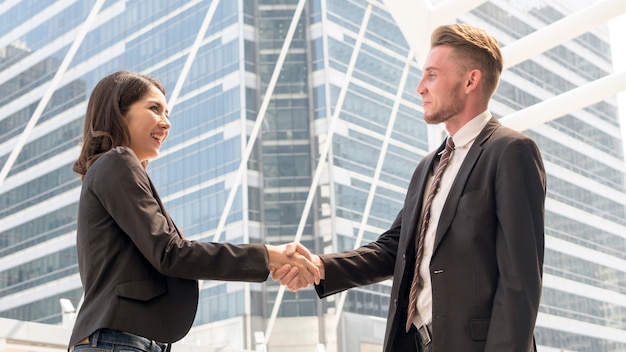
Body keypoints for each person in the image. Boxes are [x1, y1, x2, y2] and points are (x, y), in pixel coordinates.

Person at [273, 24, 546, 351]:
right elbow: (393, 250)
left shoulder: (511, 151)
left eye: (431, 75)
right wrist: (320, 267)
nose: (420, 88)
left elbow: (520, 283)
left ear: (471, 80)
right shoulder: (427, 167)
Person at [68, 71, 320, 352]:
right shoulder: (118, 162)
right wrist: (266, 256)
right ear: (119, 112)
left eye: (167, 112)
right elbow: (171, 253)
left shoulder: (112, 170)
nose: (166, 123)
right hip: (119, 340)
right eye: (154, 109)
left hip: (127, 340)